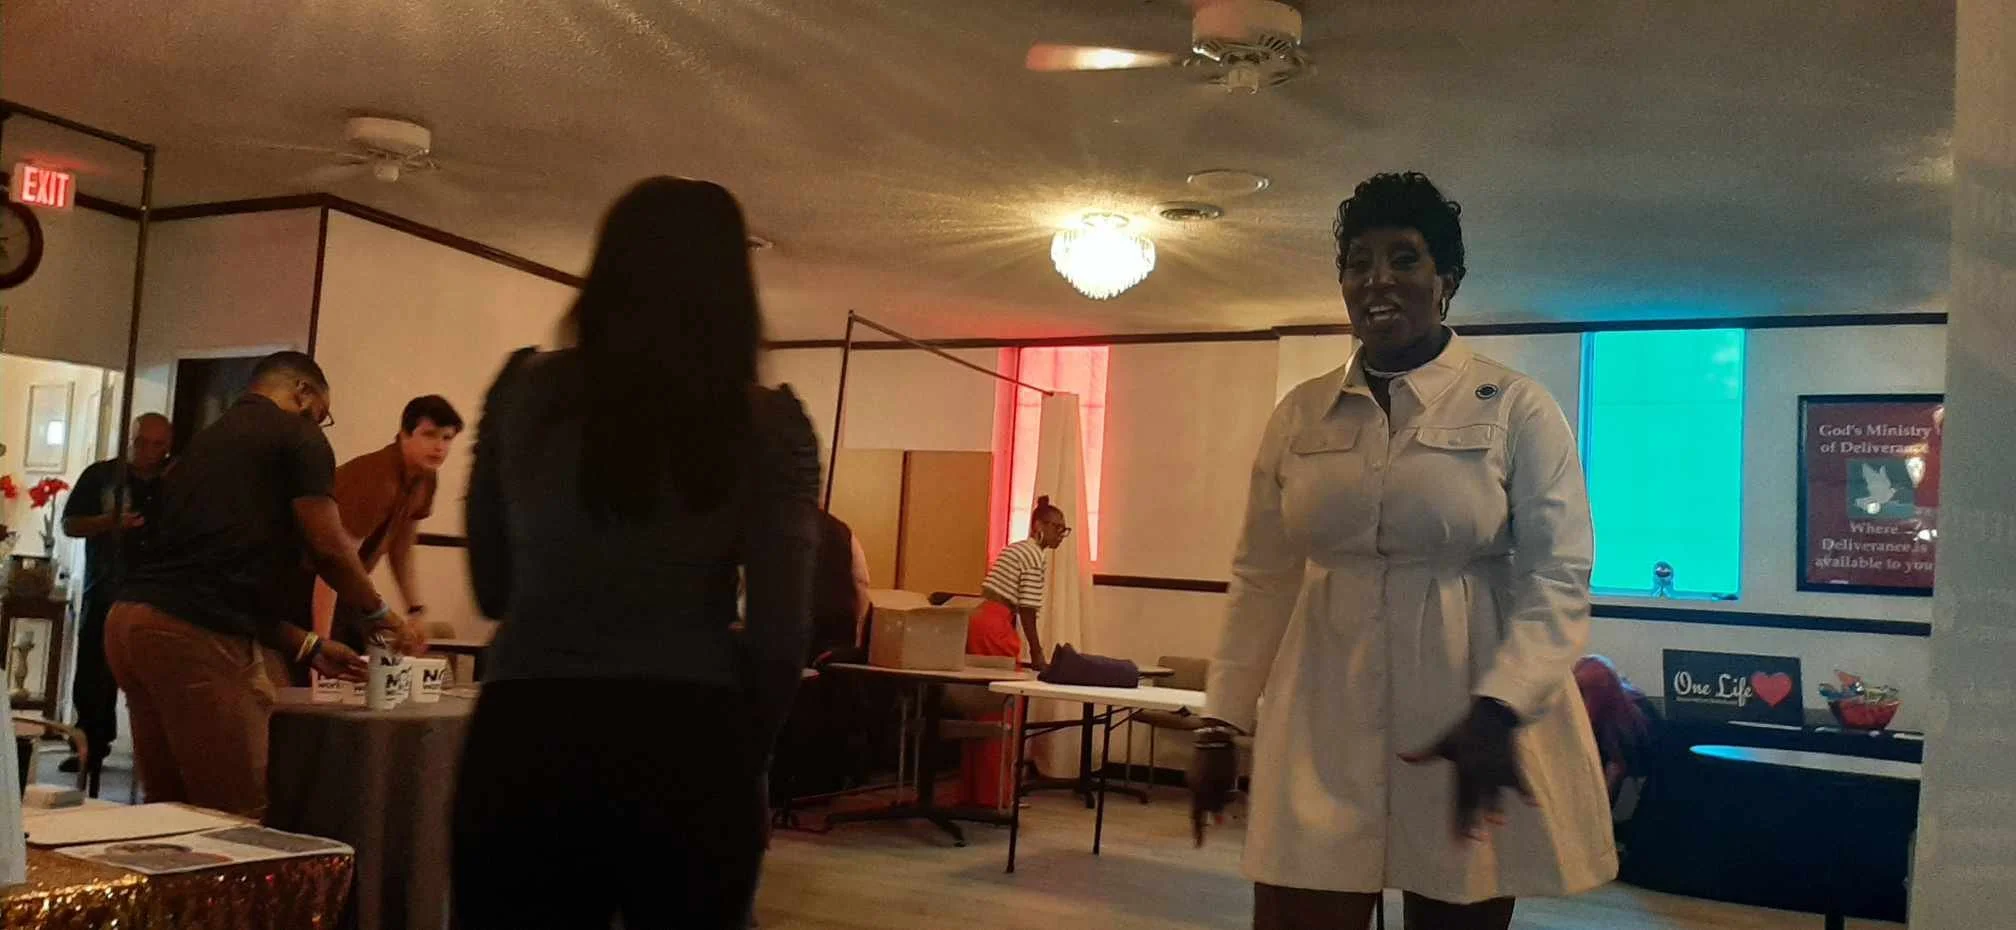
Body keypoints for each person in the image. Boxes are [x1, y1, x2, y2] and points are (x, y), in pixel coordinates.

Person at [1190, 172, 1615, 930]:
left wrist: (1504, 704)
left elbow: (1558, 573)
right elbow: (1262, 576)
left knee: (1457, 905)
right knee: (1297, 909)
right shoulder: (1300, 415)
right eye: (1358, 262)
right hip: (1321, 708)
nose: (1377, 279)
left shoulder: (1516, 407)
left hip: (1466, 711)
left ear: (1447, 281)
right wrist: (1221, 719)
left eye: (1404, 259)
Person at [453, 177, 819, 930]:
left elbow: (492, 588)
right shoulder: (767, 424)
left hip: (528, 727)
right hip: (691, 732)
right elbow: (782, 637)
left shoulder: (521, 392)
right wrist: (739, 748)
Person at [107, 351, 413, 818]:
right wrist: (379, 614)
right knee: (235, 816)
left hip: (129, 624)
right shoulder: (298, 435)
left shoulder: (202, 445)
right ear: (302, 392)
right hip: (192, 635)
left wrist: (308, 645)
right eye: (321, 414)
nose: (319, 424)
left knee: (168, 811)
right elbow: (328, 548)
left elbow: (213, 572)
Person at [59, 412, 172, 780]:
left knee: (157, 673)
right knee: (94, 671)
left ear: (168, 446)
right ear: (129, 440)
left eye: (157, 444)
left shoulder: (176, 481)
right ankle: (90, 747)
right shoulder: (102, 476)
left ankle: (157, 752)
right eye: (141, 442)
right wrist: (110, 522)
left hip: (159, 592)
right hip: (106, 585)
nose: (148, 451)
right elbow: (70, 524)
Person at [313, 394, 461, 651]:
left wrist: (415, 610)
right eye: (429, 435)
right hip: (306, 582)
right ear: (404, 434)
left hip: (346, 590)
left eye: (447, 438)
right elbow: (332, 564)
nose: (439, 447)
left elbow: (402, 548)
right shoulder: (377, 479)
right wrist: (320, 646)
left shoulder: (425, 478)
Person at [957, 498, 1069, 807]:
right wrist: (1038, 653)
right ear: (1038, 526)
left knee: (979, 712)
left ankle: (973, 792)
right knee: (1003, 714)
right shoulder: (1034, 556)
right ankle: (996, 796)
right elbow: (1028, 610)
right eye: (1056, 527)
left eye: (1064, 529)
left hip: (980, 620)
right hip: (995, 627)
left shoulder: (1015, 548)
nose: (1061, 534)